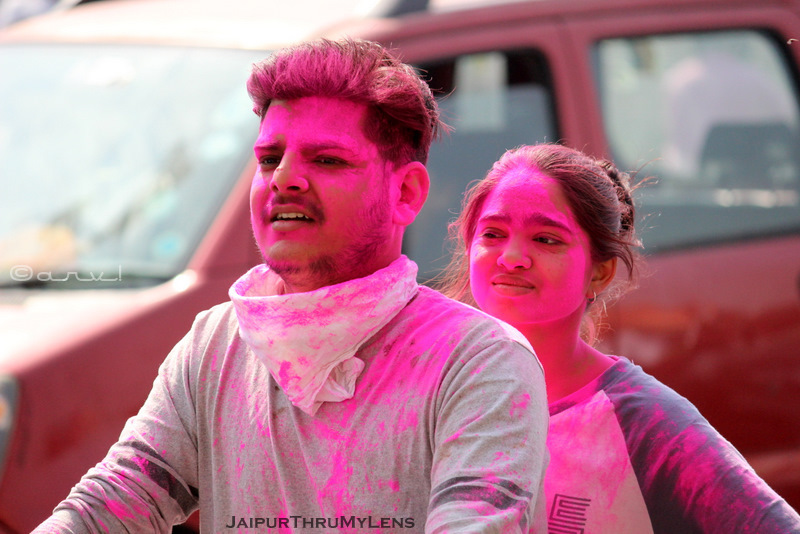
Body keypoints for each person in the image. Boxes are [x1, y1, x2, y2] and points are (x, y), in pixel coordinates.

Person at [33, 38, 549, 533]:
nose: (284, 179)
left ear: (406, 194)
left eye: (326, 160)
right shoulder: (213, 345)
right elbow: (116, 502)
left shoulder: (481, 363)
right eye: (268, 158)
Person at [436, 143, 800, 533]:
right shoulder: (429, 394)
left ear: (600, 272)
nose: (512, 257)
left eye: (546, 239)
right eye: (493, 233)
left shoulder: (643, 422)